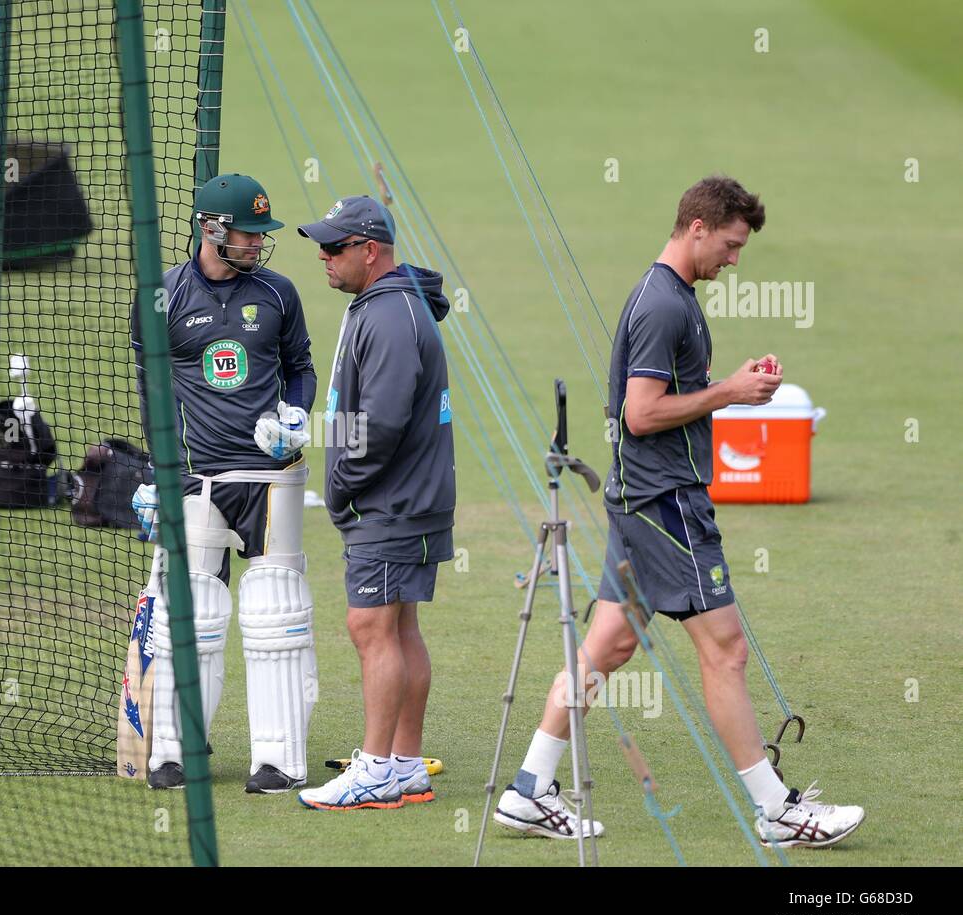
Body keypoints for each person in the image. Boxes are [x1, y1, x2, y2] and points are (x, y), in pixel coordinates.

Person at [495, 176, 864, 847]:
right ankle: (777, 810)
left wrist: (732, 386)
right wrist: (728, 391)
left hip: (643, 501)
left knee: (607, 647)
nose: (733, 260)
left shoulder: (669, 296)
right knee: (725, 651)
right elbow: (642, 414)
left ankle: (528, 788)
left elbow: (667, 396)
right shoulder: (665, 305)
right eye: (728, 245)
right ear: (697, 227)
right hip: (667, 506)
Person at [129, 173, 318, 794]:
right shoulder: (161, 299)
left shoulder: (279, 294)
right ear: (211, 229)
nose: (258, 244)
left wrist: (295, 414)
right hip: (195, 478)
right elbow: (152, 390)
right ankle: (176, 752)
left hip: (270, 480)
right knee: (192, 614)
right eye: (247, 233)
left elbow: (300, 369)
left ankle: (279, 758)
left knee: (275, 613)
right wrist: (156, 473)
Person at [293, 196, 456, 810]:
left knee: (370, 627)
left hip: (390, 502)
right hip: (410, 499)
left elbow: (380, 423)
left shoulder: (388, 316)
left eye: (335, 248)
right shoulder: (387, 306)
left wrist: (343, 482)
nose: (323, 257)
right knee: (399, 624)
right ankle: (407, 763)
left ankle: (380, 767)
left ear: (370, 251)